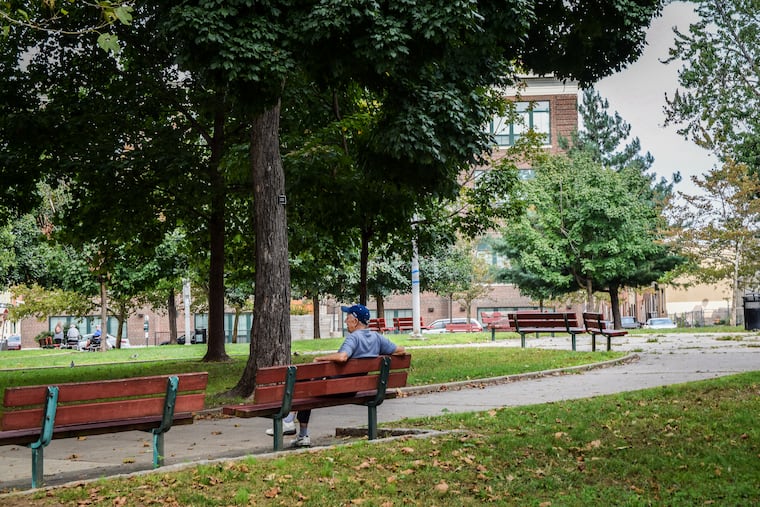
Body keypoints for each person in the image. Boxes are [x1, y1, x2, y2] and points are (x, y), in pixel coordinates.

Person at [289, 303, 405, 448]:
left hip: (337, 389)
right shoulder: (377, 338)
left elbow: (343, 357)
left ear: (355, 321)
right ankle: (295, 428)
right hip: (355, 389)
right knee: (310, 383)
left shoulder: (354, 338)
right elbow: (401, 350)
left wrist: (320, 358)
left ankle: (293, 426)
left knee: (306, 384)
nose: (345, 321)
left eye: (347, 318)